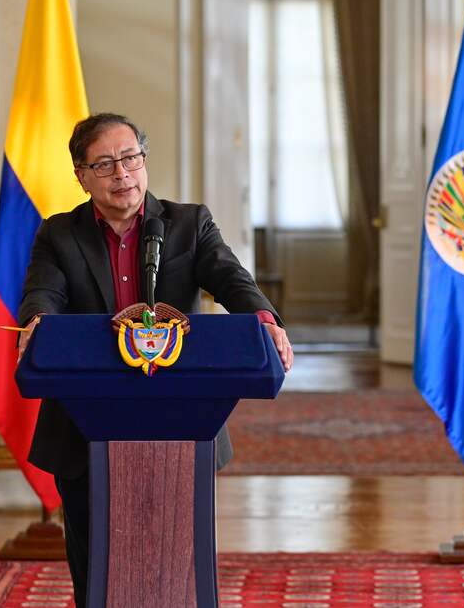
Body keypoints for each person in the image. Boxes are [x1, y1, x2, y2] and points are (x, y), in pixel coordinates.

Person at [15, 112, 294, 607]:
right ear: (80, 175)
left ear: (144, 160)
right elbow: (43, 294)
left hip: (182, 424)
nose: (122, 174)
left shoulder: (190, 224)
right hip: (84, 429)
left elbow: (231, 278)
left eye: (130, 158)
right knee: (94, 565)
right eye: (104, 164)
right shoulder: (59, 234)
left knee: (178, 561)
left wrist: (266, 319)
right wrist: (38, 322)